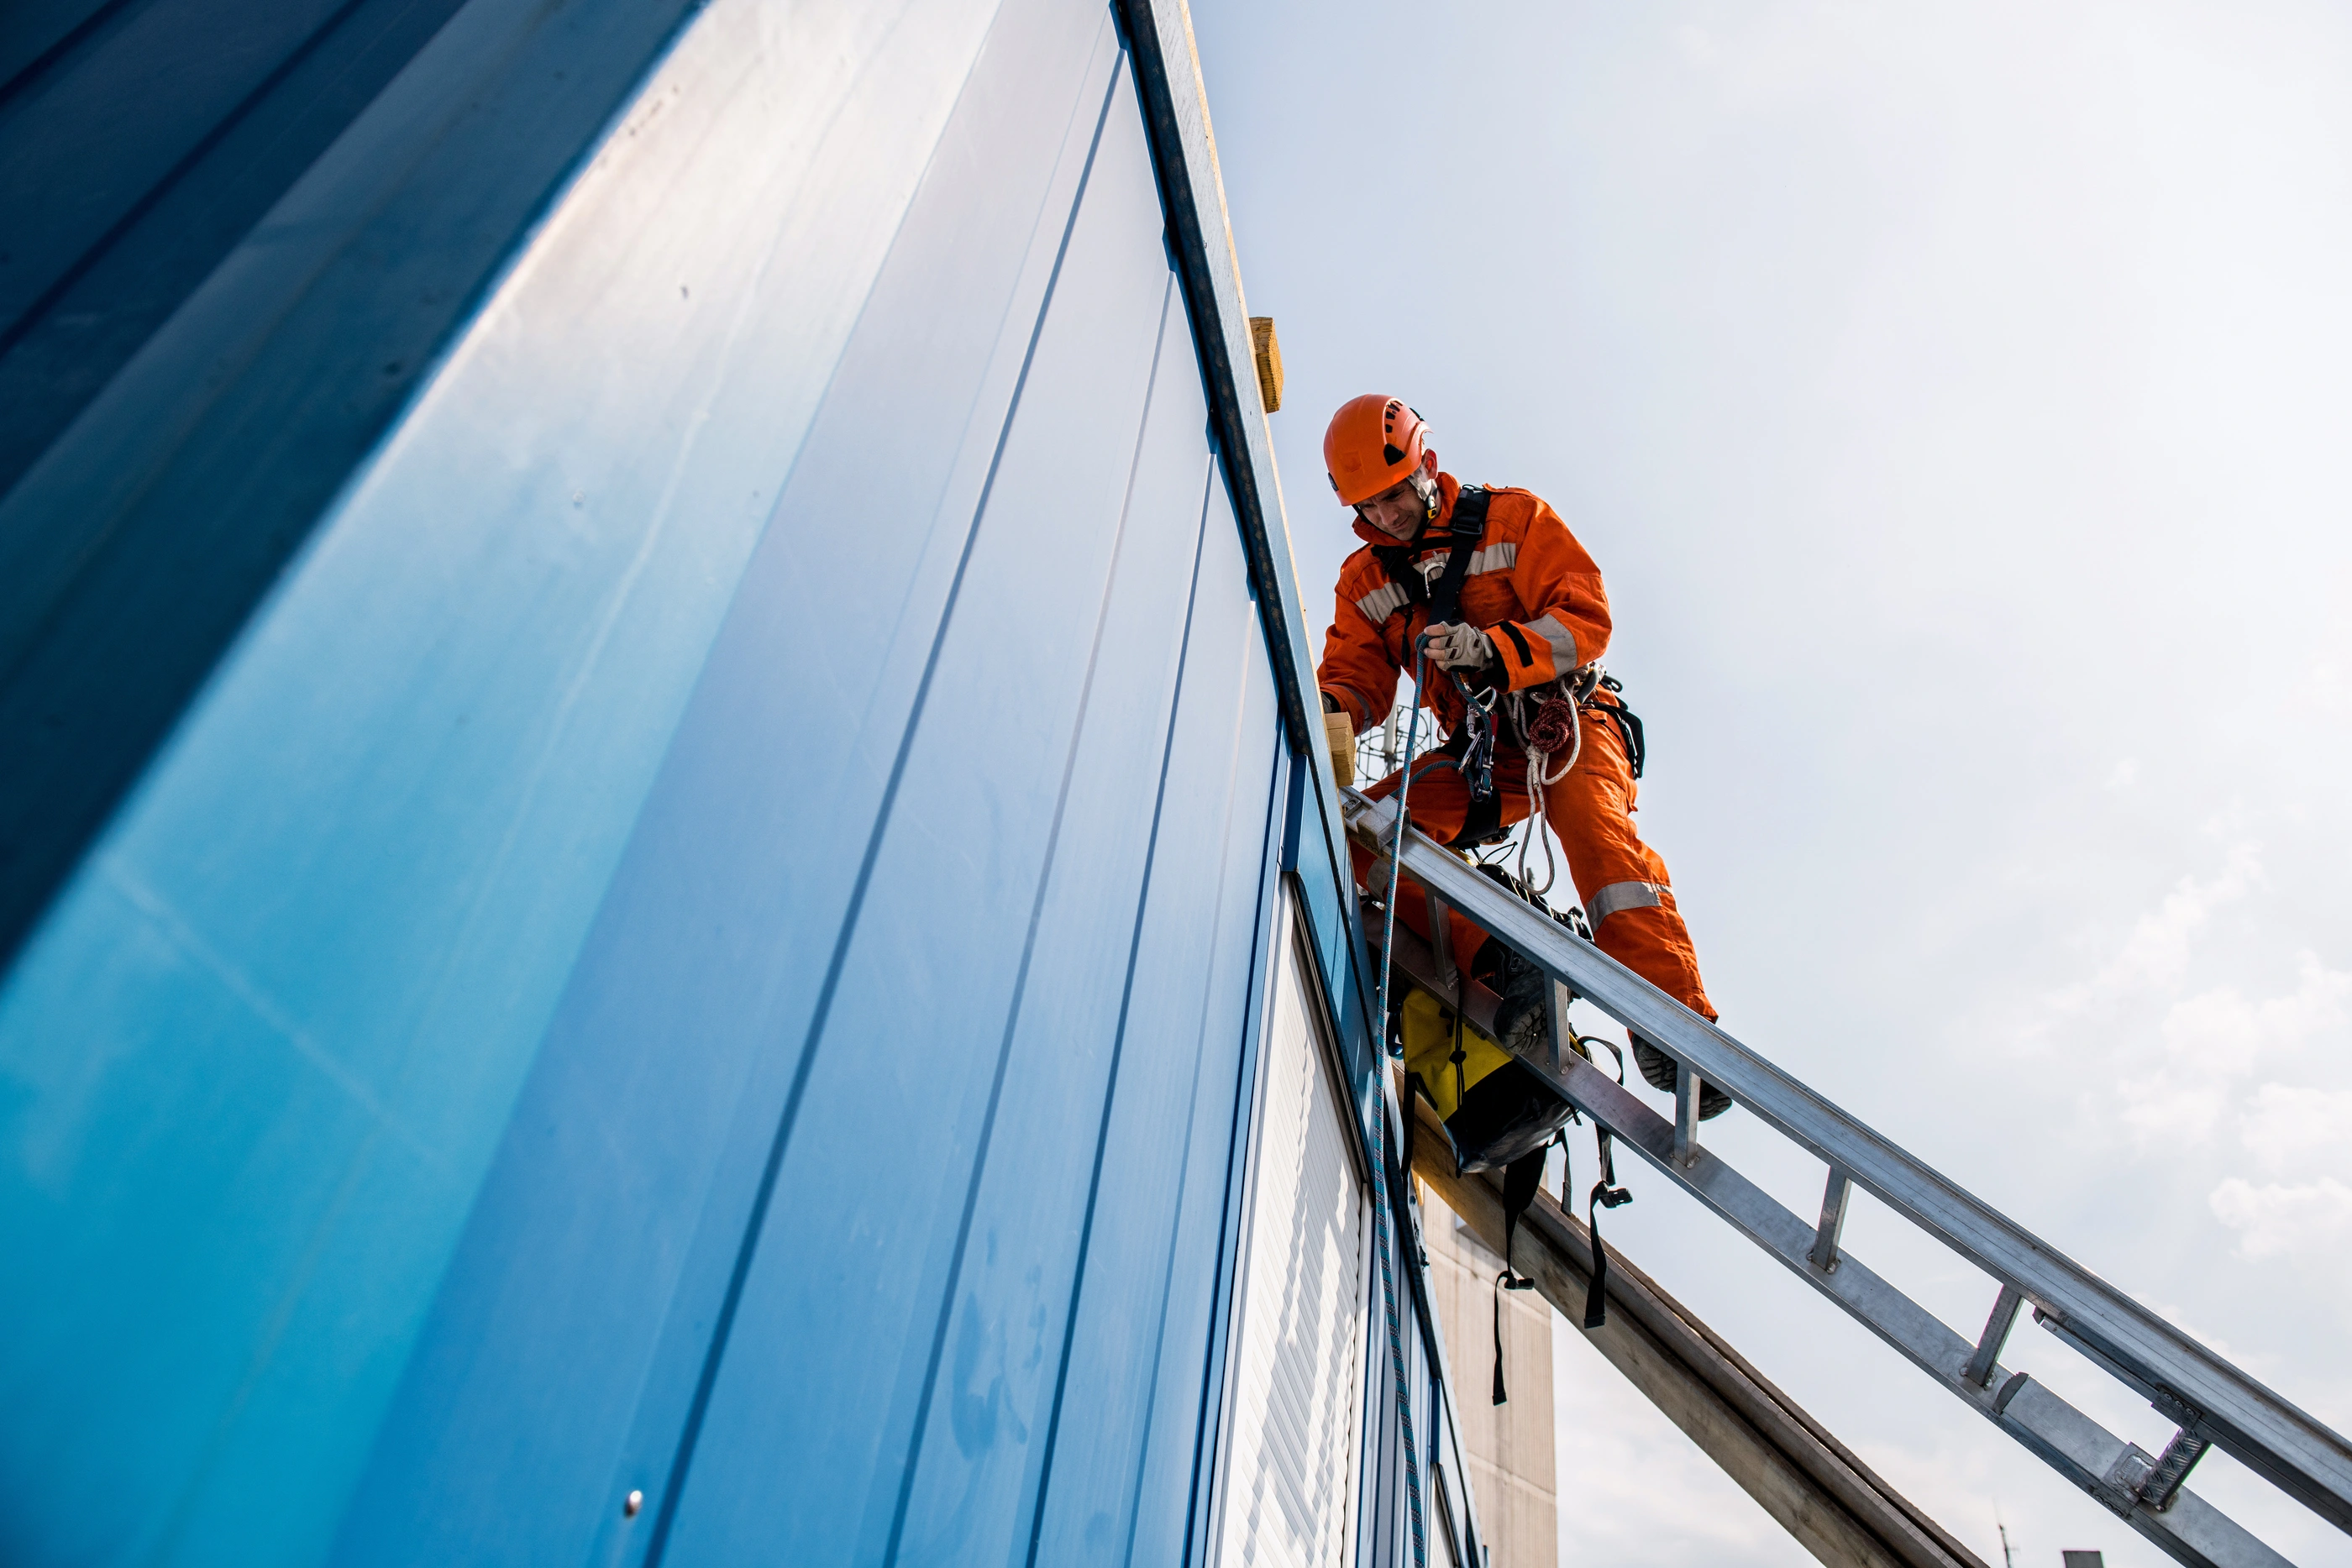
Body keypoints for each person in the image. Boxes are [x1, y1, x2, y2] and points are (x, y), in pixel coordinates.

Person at [1316, 393, 1728, 1118]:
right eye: (1368, 507)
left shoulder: (1512, 521)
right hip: (1482, 757)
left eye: (1392, 496)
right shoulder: (1366, 584)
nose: (1384, 516)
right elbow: (1355, 679)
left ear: (1426, 466)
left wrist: (1496, 651)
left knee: (1597, 839)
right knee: (1355, 833)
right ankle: (1500, 959)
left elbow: (1586, 619)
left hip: (1565, 724)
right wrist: (1327, 711)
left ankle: (1675, 1024)